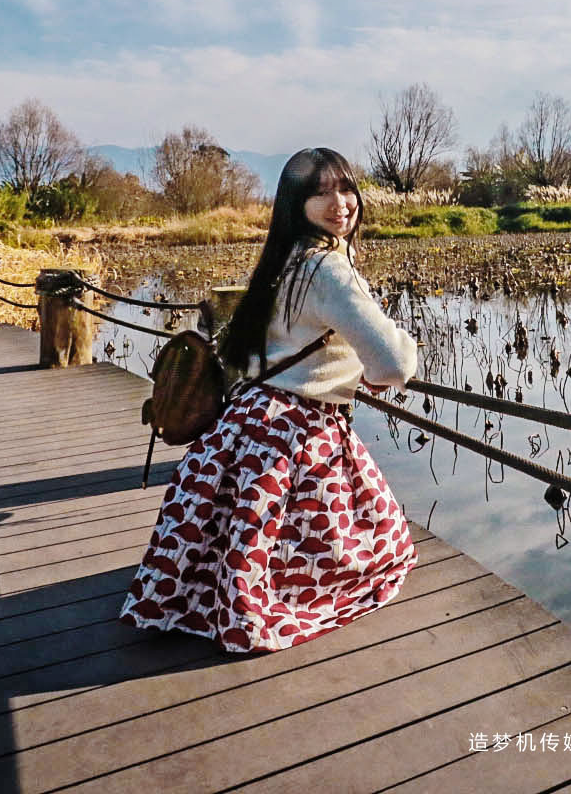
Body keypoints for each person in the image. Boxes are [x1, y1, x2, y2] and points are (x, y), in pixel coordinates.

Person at [120, 147, 418, 653]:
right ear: (294, 203)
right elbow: (391, 363)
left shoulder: (285, 256)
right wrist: (403, 348)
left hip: (248, 419)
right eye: (320, 193)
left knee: (244, 528)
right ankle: (264, 602)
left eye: (345, 189)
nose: (339, 203)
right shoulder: (328, 268)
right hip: (298, 430)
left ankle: (210, 600)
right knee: (381, 542)